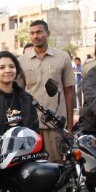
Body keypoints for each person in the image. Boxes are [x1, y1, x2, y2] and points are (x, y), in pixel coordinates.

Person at [0, 51, 40, 192]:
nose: (7, 70)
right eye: (2, 67)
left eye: (11, 66)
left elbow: (34, 129)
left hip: (23, 153)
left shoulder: (26, 98)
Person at [19, 20, 75, 163]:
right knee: (33, 168)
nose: (35, 36)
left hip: (55, 125)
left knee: (57, 167)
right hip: (31, 125)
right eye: (32, 33)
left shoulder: (63, 58)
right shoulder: (21, 61)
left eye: (39, 32)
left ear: (47, 33)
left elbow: (69, 92)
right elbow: (19, 93)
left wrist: (69, 126)